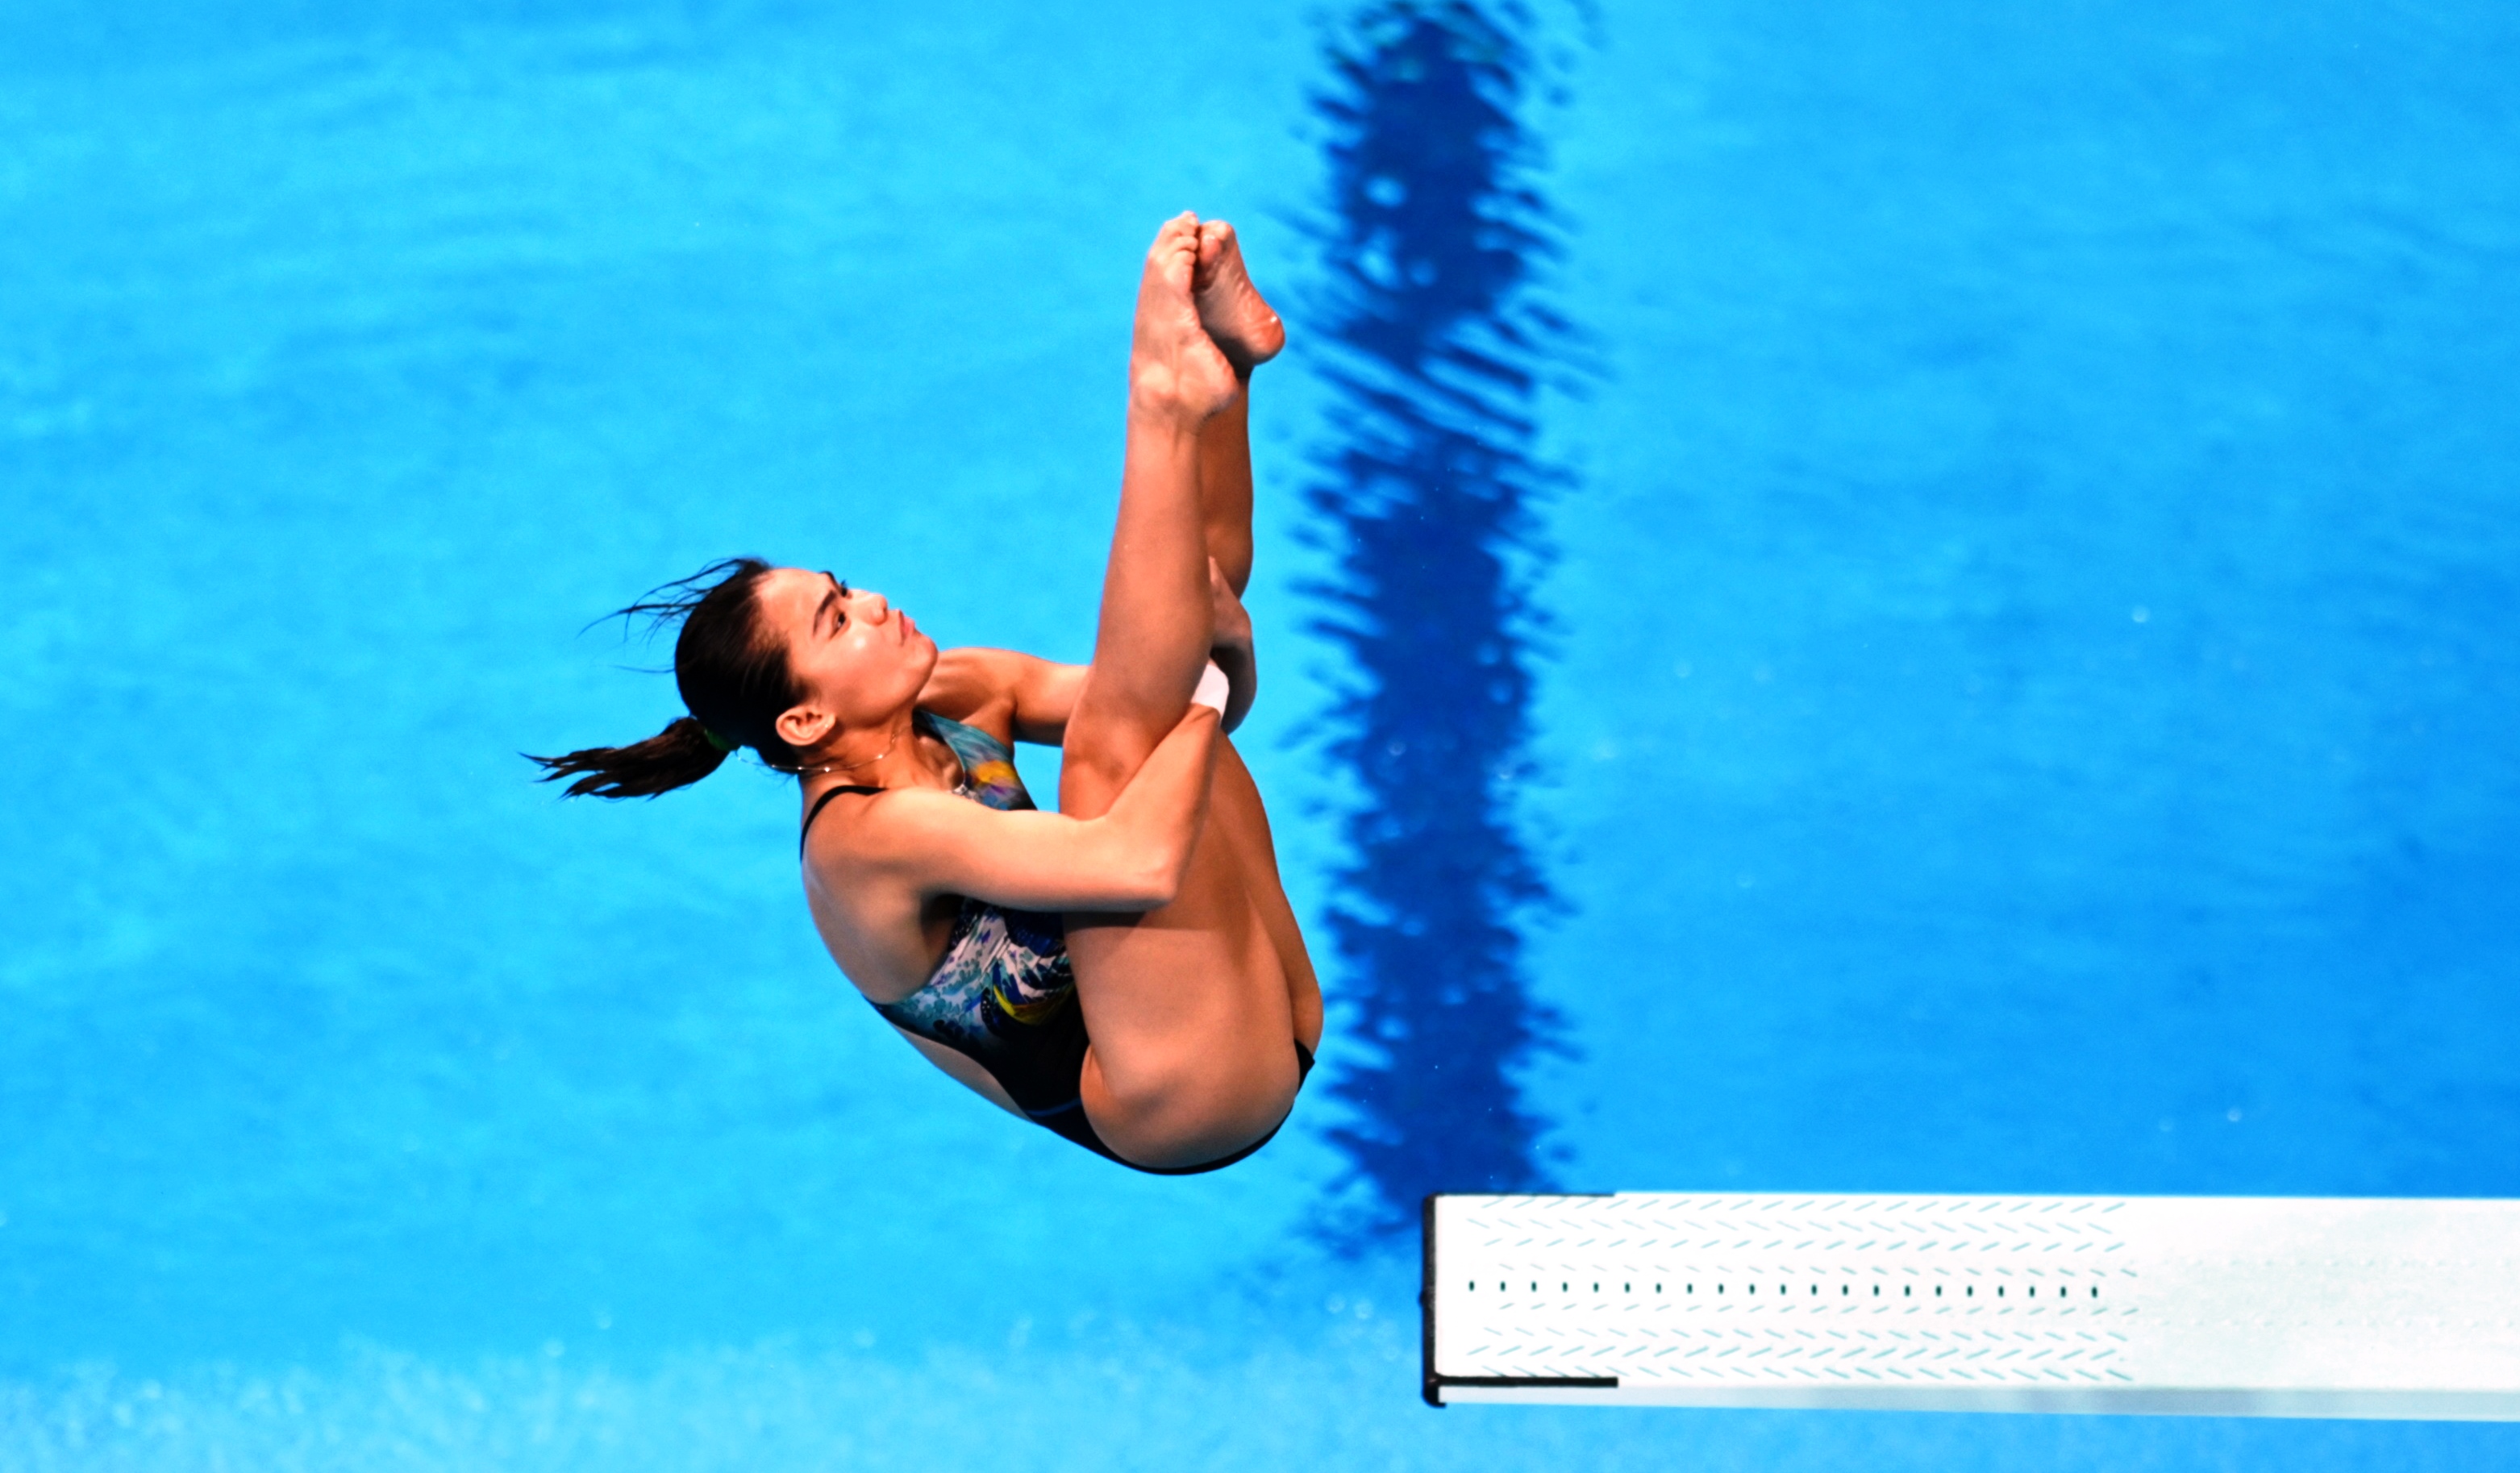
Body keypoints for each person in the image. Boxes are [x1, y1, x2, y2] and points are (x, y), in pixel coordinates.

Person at [533, 214, 1323, 1173]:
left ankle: (1223, 364)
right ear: (805, 720)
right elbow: (1139, 861)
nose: (871, 603)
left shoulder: (958, 691)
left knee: (1172, 630)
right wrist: (1206, 687)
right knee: (1113, 749)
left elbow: (1174, 680)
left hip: (1259, 1008)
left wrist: (1209, 667)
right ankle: (1157, 403)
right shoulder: (865, 840)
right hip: (1179, 1106)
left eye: (843, 587)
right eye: (836, 620)